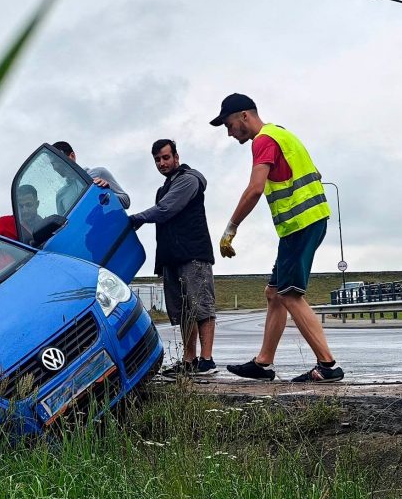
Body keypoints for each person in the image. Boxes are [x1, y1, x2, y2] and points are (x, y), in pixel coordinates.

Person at [211, 93, 344, 383]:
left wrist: (230, 228)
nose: (229, 132)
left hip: (301, 222)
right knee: (274, 293)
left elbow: (255, 188)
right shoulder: (281, 134)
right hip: (303, 222)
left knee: (290, 295)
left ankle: (328, 366)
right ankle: (263, 364)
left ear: (245, 116)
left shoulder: (264, 141)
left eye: (229, 124)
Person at [130, 139, 217, 377]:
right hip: (172, 257)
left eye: (165, 158)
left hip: (193, 254)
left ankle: (207, 361)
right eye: (157, 159)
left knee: (201, 306)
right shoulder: (163, 188)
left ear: (176, 157)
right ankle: (189, 360)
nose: (162, 163)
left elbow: (166, 209)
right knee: (183, 311)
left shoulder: (188, 180)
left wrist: (136, 219)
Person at [52, 141, 131, 210]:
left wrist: (107, 193)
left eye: (58, 161)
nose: (55, 167)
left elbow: (126, 201)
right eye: (53, 164)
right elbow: (65, 225)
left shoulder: (99, 173)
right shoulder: (60, 195)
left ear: (72, 156)